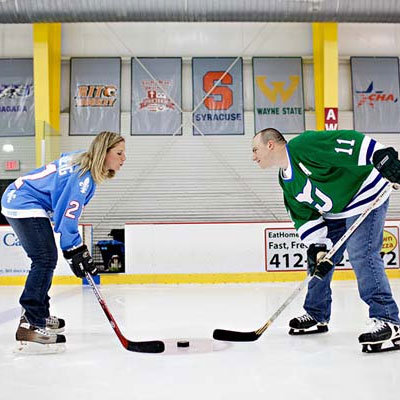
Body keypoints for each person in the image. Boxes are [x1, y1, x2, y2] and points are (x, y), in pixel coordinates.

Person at [252, 127, 400, 353]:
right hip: (337, 212)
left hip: (365, 193)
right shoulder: (286, 181)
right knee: (319, 263)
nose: (254, 156)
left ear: (270, 144)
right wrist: (319, 249)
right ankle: (316, 313)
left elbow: (345, 142)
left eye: (255, 149)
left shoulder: (302, 147)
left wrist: (378, 155)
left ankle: (389, 320)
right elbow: (305, 216)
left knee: (362, 253)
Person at [1, 131, 126, 354]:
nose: (123, 158)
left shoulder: (81, 159)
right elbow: (66, 219)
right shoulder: (83, 179)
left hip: (18, 196)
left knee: (45, 258)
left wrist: (75, 249)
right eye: (119, 153)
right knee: (45, 258)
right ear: (103, 153)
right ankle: (30, 323)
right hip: (23, 202)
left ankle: (38, 313)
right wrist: (75, 250)